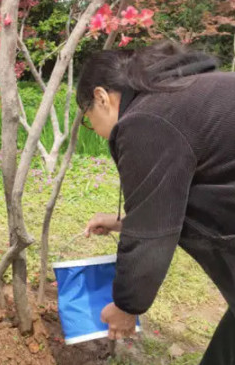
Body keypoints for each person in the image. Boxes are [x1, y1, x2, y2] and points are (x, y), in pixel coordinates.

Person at [78, 41, 235, 364]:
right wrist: (124, 222)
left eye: (87, 119)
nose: (93, 130)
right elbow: (175, 197)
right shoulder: (181, 96)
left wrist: (126, 307)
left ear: (101, 97)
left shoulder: (148, 119)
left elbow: (152, 234)